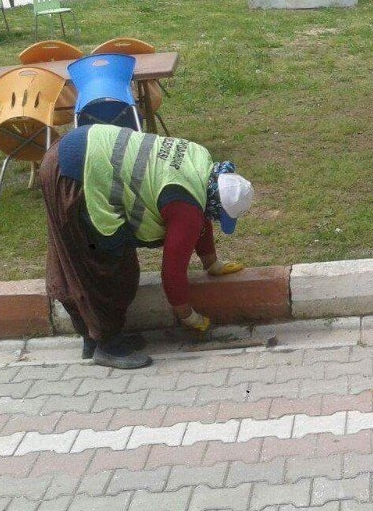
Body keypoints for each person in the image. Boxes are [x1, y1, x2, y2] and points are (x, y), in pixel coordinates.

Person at [41, 124, 254, 369]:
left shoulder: (200, 162)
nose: (215, 219)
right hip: (75, 174)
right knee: (106, 267)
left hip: (74, 147)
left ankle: (93, 337)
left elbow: (200, 213)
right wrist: (189, 316)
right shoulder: (186, 208)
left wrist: (211, 262)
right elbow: (172, 273)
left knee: (84, 258)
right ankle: (107, 345)